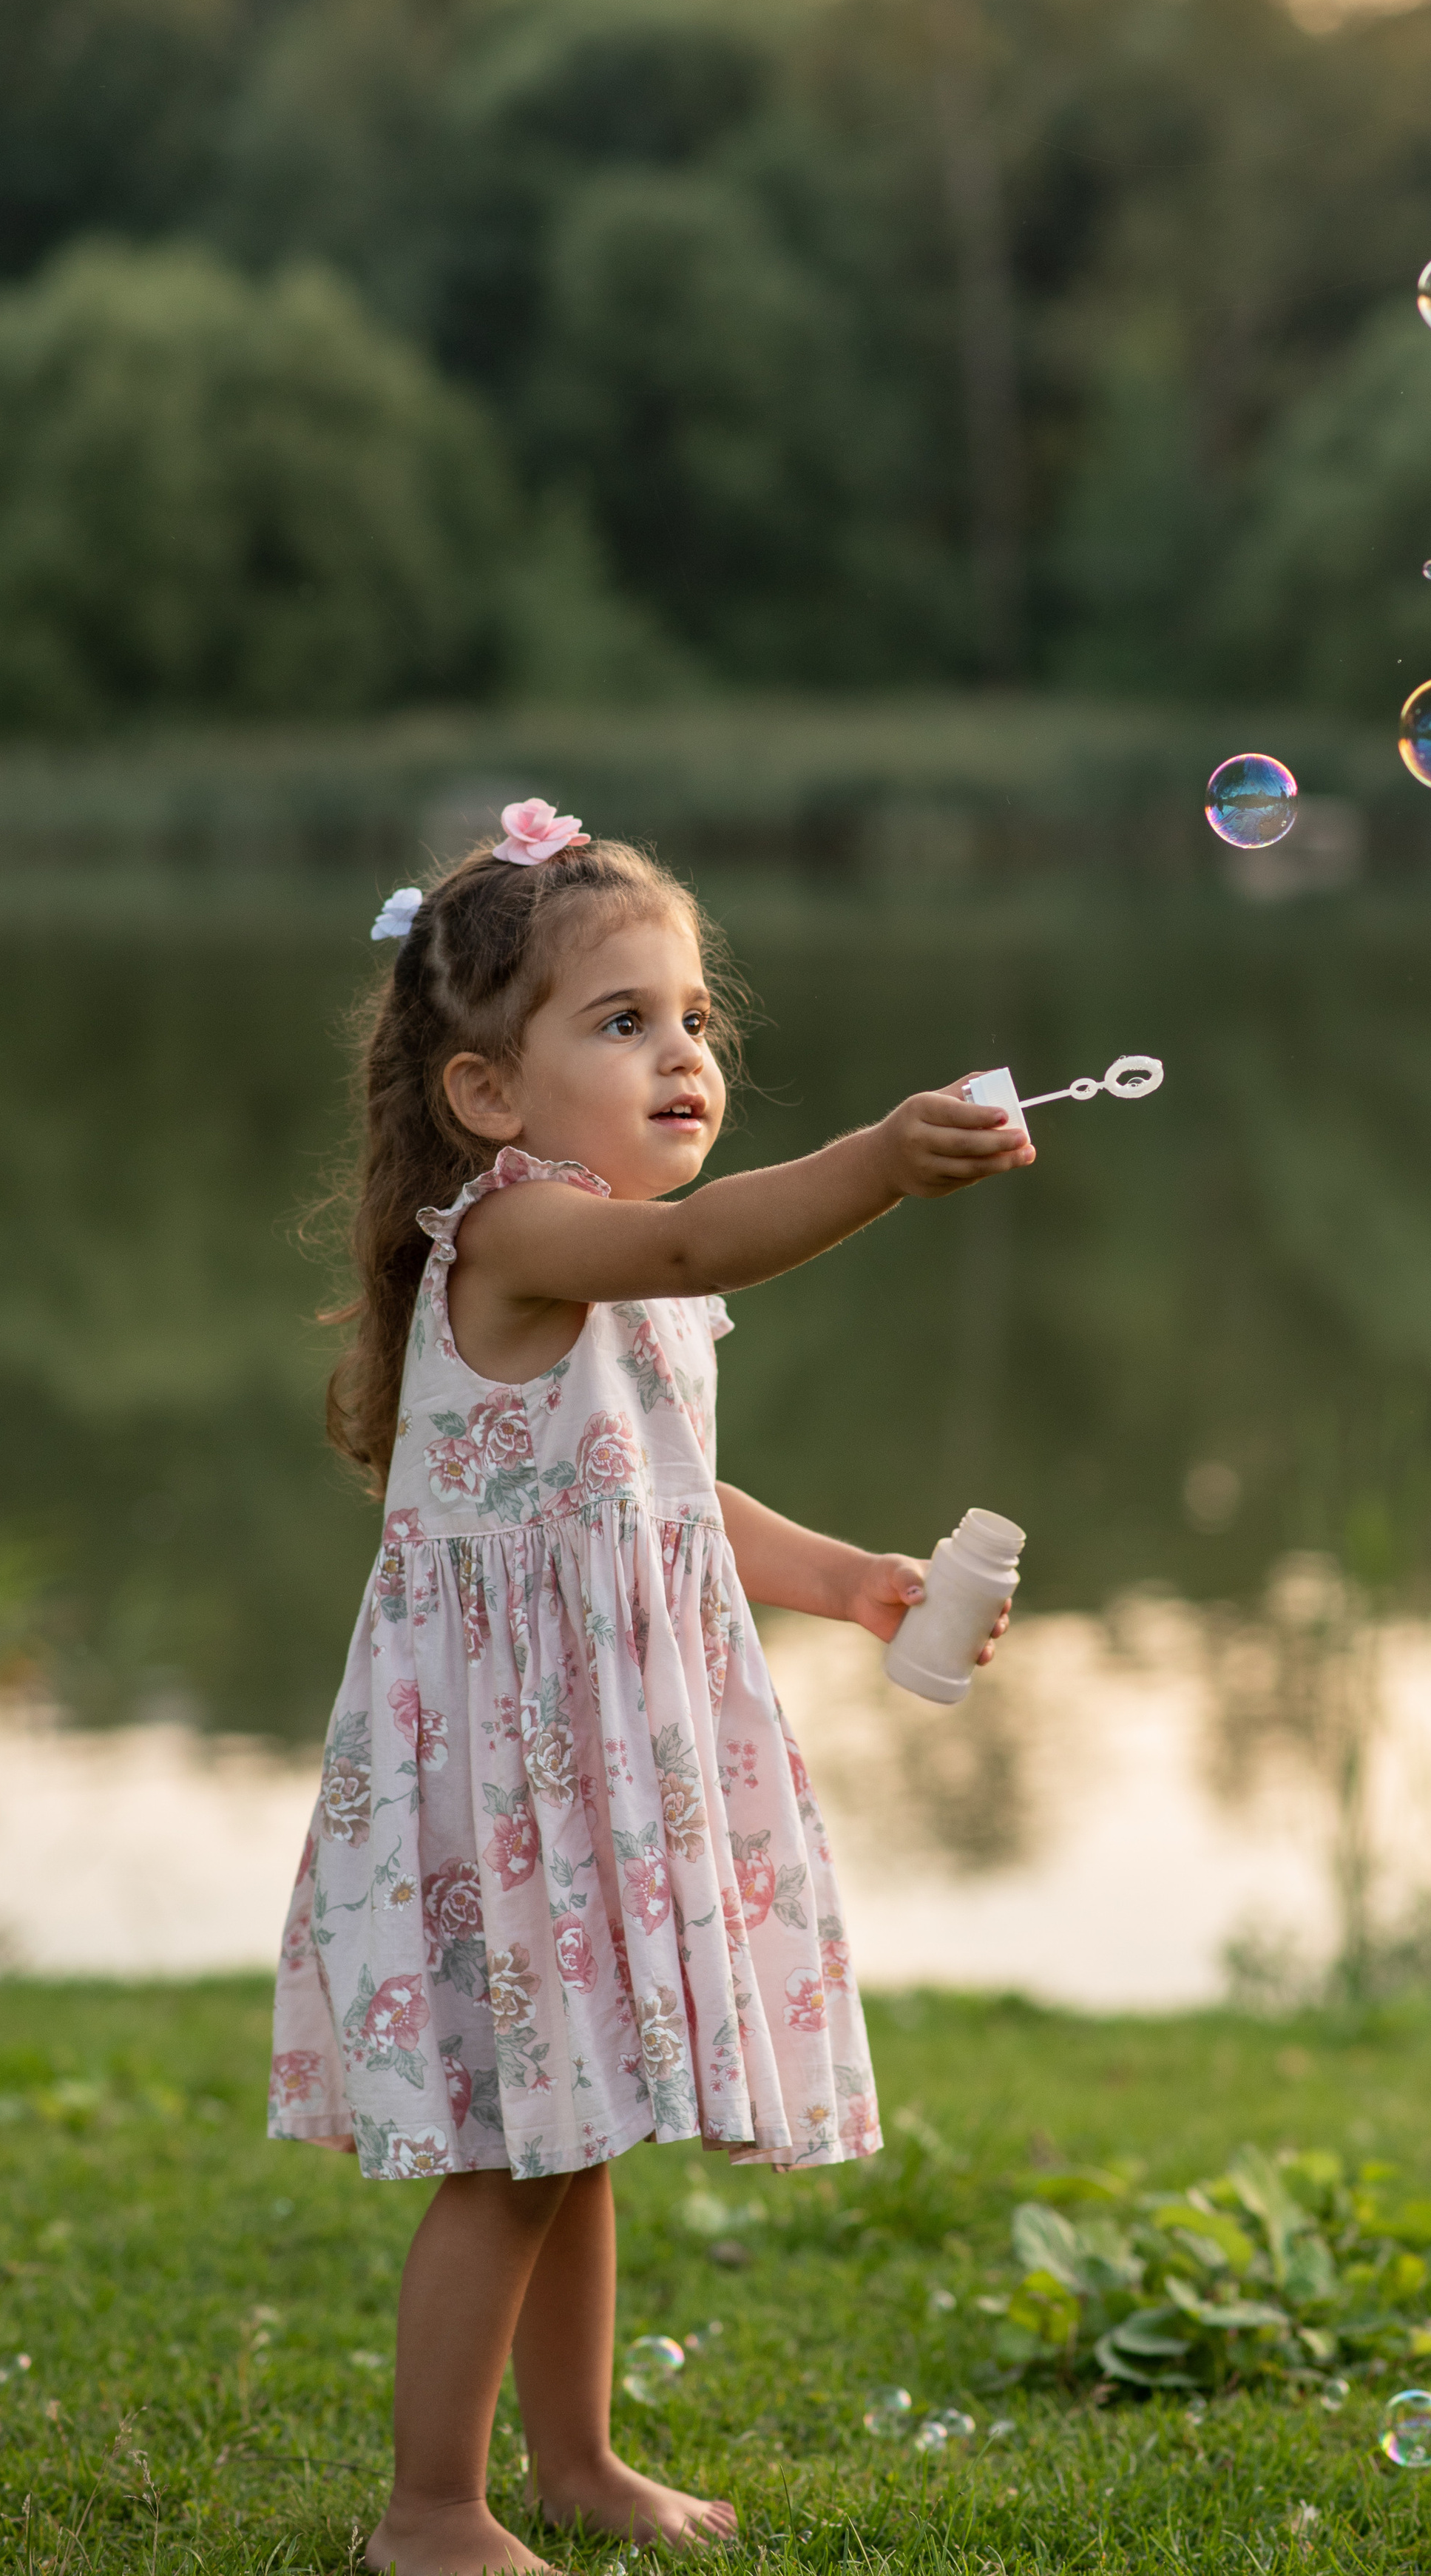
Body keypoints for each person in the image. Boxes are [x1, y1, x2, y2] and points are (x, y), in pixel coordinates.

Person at [269, 800, 1029, 2576]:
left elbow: (663, 1495)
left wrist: (839, 1578)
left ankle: (580, 2462)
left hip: (603, 1759)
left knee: (580, 2118)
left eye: (692, 1019)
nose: (682, 1055)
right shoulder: (525, 1241)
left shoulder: (623, 1272)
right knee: (518, 2147)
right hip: (515, 1772)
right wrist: (875, 1164)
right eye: (621, 1024)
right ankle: (428, 2513)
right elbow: (705, 1245)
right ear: (485, 1096)